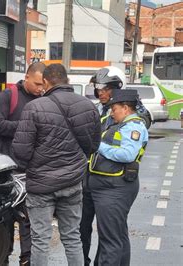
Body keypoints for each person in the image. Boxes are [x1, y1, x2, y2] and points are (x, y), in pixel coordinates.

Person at [11, 63, 101, 266]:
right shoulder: (88, 106)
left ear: (45, 81)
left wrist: (36, 164)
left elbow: (21, 151)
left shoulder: (34, 107)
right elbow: (94, 146)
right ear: (66, 80)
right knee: (72, 237)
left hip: (41, 185)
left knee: (40, 240)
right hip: (72, 183)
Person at [0, 62, 46, 266]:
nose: (40, 88)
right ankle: (3, 257)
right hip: (6, 170)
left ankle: (27, 259)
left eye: (44, 85)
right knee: (5, 218)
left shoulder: (43, 99)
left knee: (28, 219)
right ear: (27, 77)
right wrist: (27, 127)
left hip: (30, 169)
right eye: (38, 83)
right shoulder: (9, 95)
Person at [88, 89, 148, 266]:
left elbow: (127, 154)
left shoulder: (133, 127)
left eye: (114, 109)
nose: (112, 113)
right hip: (110, 187)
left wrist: (98, 146)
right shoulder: (120, 125)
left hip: (114, 189)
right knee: (117, 235)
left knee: (110, 241)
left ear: (126, 108)